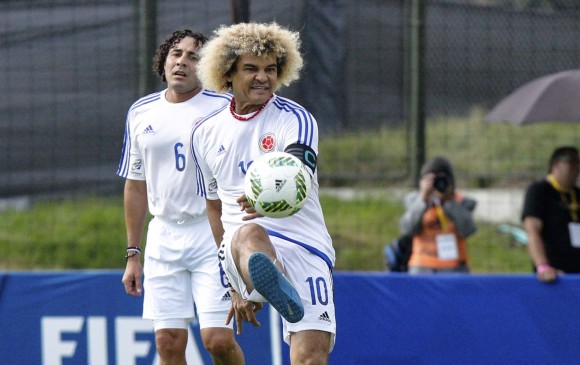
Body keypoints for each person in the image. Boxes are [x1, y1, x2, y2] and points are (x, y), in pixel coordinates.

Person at [190, 22, 336, 365]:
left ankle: (271, 281)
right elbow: (214, 208)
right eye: (251, 69)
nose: (263, 78)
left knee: (311, 359)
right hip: (242, 244)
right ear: (227, 73)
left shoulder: (296, 119)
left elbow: (300, 166)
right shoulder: (204, 133)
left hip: (304, 243)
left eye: (271, 69)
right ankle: (264, 276)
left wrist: (265, 197)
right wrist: (233, 283)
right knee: (250, 231)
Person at [116, 29, 244, 365]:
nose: (182, 62)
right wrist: (133, 253)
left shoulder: (223, 108)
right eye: (176, 53)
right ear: (164, 60)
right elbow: (135, 185)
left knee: (217, 340)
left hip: (211, 234)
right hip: (164, 236)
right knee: (168, 342)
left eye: (193, 56)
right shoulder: (141, 112)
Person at [400, 156, 477, 274]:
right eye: (431, 180)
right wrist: (423, 199)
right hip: (421, 267)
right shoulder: (415, 201)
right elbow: (407, 229)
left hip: (455, 267)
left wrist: (449, 202)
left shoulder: (462, 202)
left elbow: (468, 229)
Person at [522, 146, 580, 283]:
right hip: (554, 275)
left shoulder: (576, 193)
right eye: (571, 162)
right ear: (555, 164)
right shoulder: (539, 191)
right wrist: (542, 266)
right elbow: (532, 231)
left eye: (578, 162)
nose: (576, 167)